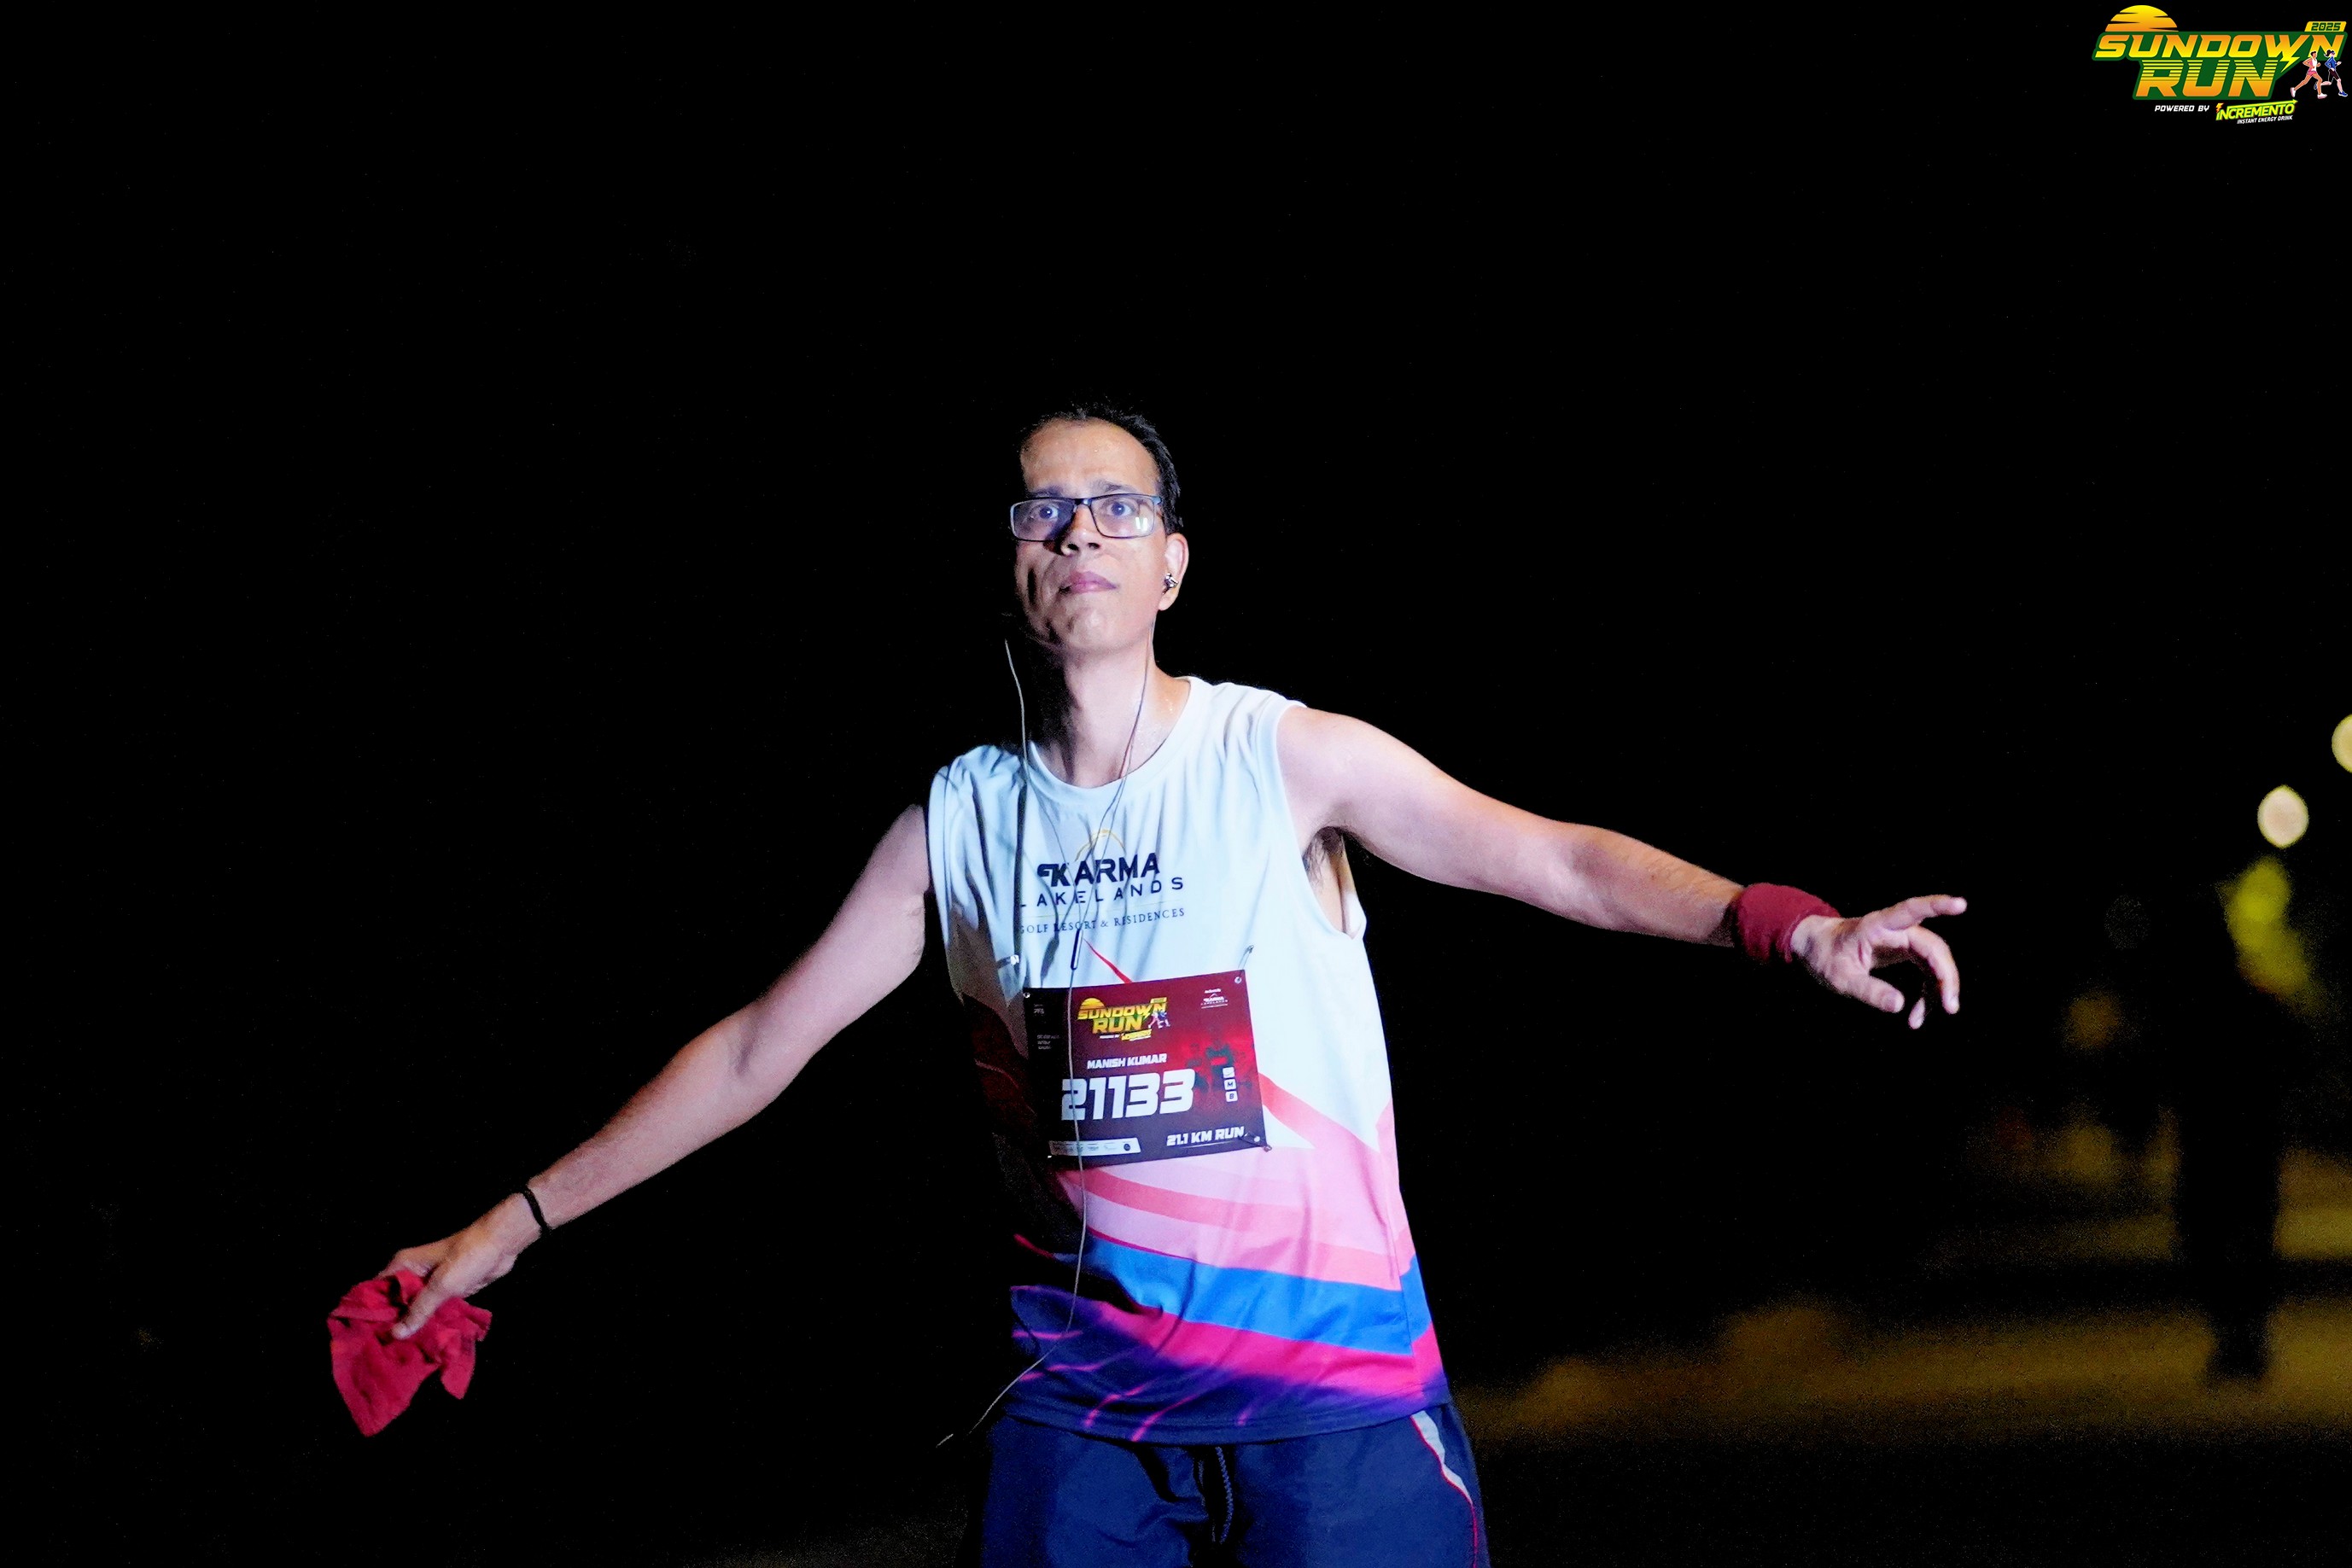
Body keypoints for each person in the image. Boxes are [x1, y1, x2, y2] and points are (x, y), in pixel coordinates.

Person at [376, 407, 1965, 1566]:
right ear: (1011, 563)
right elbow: (752, 1053)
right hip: (1084, 1426)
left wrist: (1786, 926)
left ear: (1173, 563)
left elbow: (1552, 858)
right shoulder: (956, 822)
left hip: (1334, 1407)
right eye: (1042, 508)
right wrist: (511, 1222)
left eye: (1116, 507)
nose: (1078, 531)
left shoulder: (1282, 758)